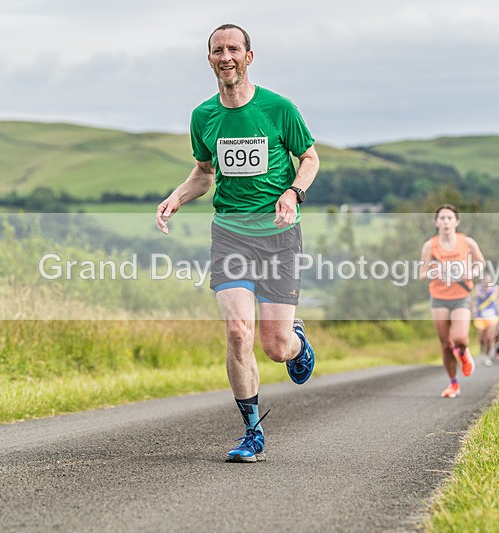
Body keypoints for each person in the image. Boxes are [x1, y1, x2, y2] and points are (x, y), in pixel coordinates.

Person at [156, 24, 319, 463]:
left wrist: (293, 192)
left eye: (233, 49)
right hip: (230, 233)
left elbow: (310, 158)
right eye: (217, 50)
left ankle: (297, 343)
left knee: (274, 346)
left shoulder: (278, 108)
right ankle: (253, 432)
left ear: (249, 56)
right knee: (236, 331)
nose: (225, 57)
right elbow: (204, 173)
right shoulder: (203, 116)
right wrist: (176, 196)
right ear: (209, 59)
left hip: (279, 236)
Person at [419, 204, 486, 398]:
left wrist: (471, 272)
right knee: (446, 344)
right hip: (439, 298)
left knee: (459, 339)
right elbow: (422, 274)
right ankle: (453, 384)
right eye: (442, 218)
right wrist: (437, 271)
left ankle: (464, 354)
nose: (445, 221)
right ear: (436, 222)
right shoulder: (430, 246)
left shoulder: (468, 242)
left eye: (449, 218)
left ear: (456, 221)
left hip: (461, 297)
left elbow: (481, 263)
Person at [472, 273, 499, 366]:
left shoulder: (496, 288)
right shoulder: (478, 288)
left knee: (490, 337)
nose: (487, 282)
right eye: (485, 280)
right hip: (480, 316)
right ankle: (482, 349)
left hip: (492, 316)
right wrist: (473, 307)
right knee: (481, 338)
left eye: (488, 280)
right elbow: (472, 300)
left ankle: (488, 356)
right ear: (482, 281)